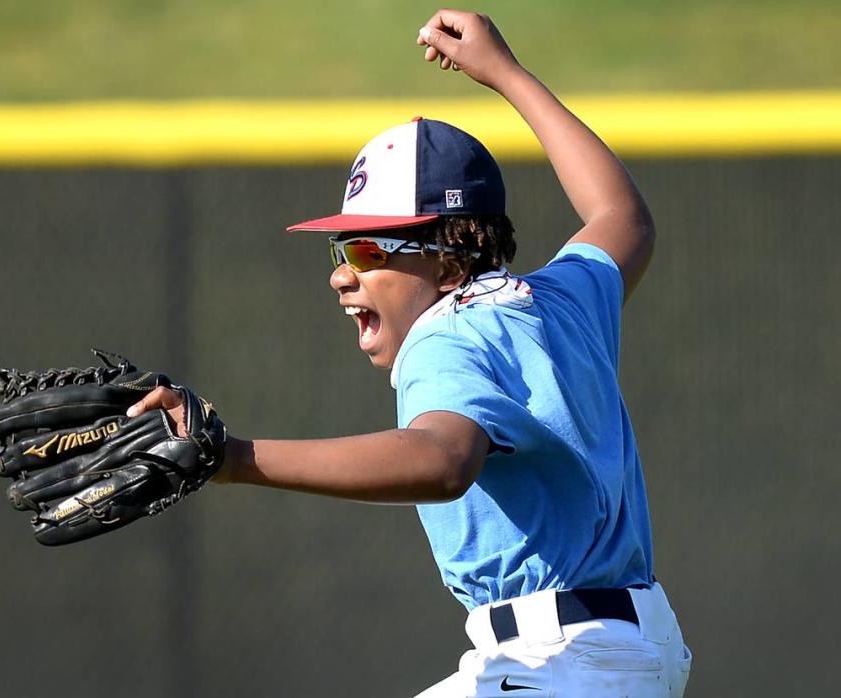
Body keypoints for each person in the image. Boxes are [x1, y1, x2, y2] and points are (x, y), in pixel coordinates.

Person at [128, 9, 691, 697]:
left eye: (368, 247)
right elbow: (622, 218)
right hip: (624, 646)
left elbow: (444, 459)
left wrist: (236, 458)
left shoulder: (442, 336)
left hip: (559, 663)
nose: (341, 273)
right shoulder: (559, 301)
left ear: (448, 254)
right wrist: (508, 75)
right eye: (341, 248)